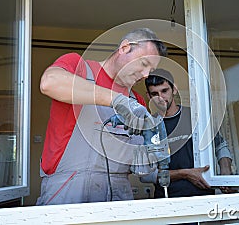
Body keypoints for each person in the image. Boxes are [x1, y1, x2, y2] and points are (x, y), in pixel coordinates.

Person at [36, 28, 167, 205]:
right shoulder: (79, 68)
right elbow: (49, 82)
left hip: (118, 193)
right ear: (125, 47)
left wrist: (151, 150)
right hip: (68, 190)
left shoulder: (137, 101)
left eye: (151, 70)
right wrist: (117, 100)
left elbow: (140, 167)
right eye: (144, 64)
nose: (146, 75)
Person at [142, 69, 233, 198]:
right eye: (155, 93)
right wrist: (185, 173)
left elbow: (220, 146)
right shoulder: (148, 127)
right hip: (167, 201)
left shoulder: (195, 117)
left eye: (164, 91)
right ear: (148, 96)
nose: (161, 98)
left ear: (174, 89)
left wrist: (225, 170)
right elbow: (146, 175)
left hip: (204, 197)